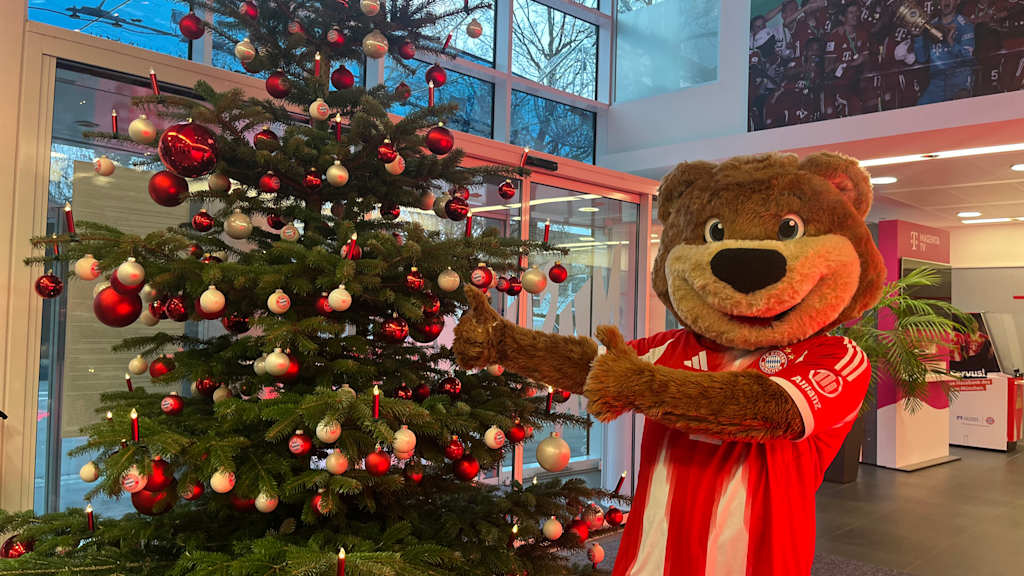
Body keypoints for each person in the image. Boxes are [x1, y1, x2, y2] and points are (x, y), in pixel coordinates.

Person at [914, 0, 976, 103]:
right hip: (936, 83)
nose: (946, 1)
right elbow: (921, 58)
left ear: (957, 1)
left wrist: (951, 42)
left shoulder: (965, 25)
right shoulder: (931, 25)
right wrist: (917, 36)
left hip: (959, 81)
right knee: (920, 111)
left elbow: (968, 58)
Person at [825, 3, 871, 116]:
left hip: (859, 84)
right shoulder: (835, 36)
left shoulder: (863, 33)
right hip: (840, 87)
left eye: (857, 12)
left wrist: (864, 59)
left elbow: (868, 60)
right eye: (851, 12)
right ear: (842, 17)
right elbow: (827, 68)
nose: (855, 15)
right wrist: (851, 64)